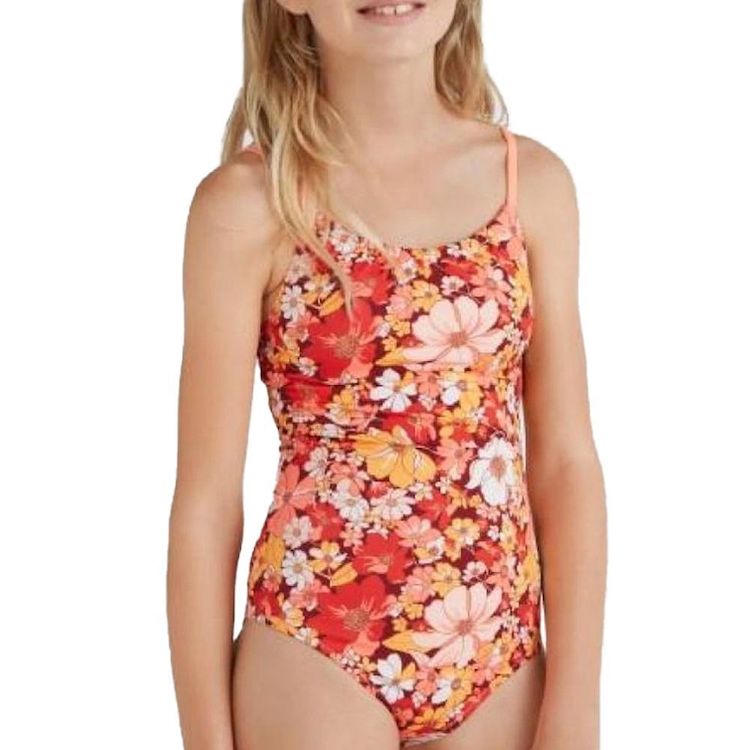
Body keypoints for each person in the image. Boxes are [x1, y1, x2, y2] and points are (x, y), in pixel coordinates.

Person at [167, 2, 607, 749]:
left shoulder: (531, 184)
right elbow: (206, 500)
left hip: (498, 653)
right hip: (317, 643)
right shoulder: (250, 204)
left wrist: (578, 704)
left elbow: (566, 462)